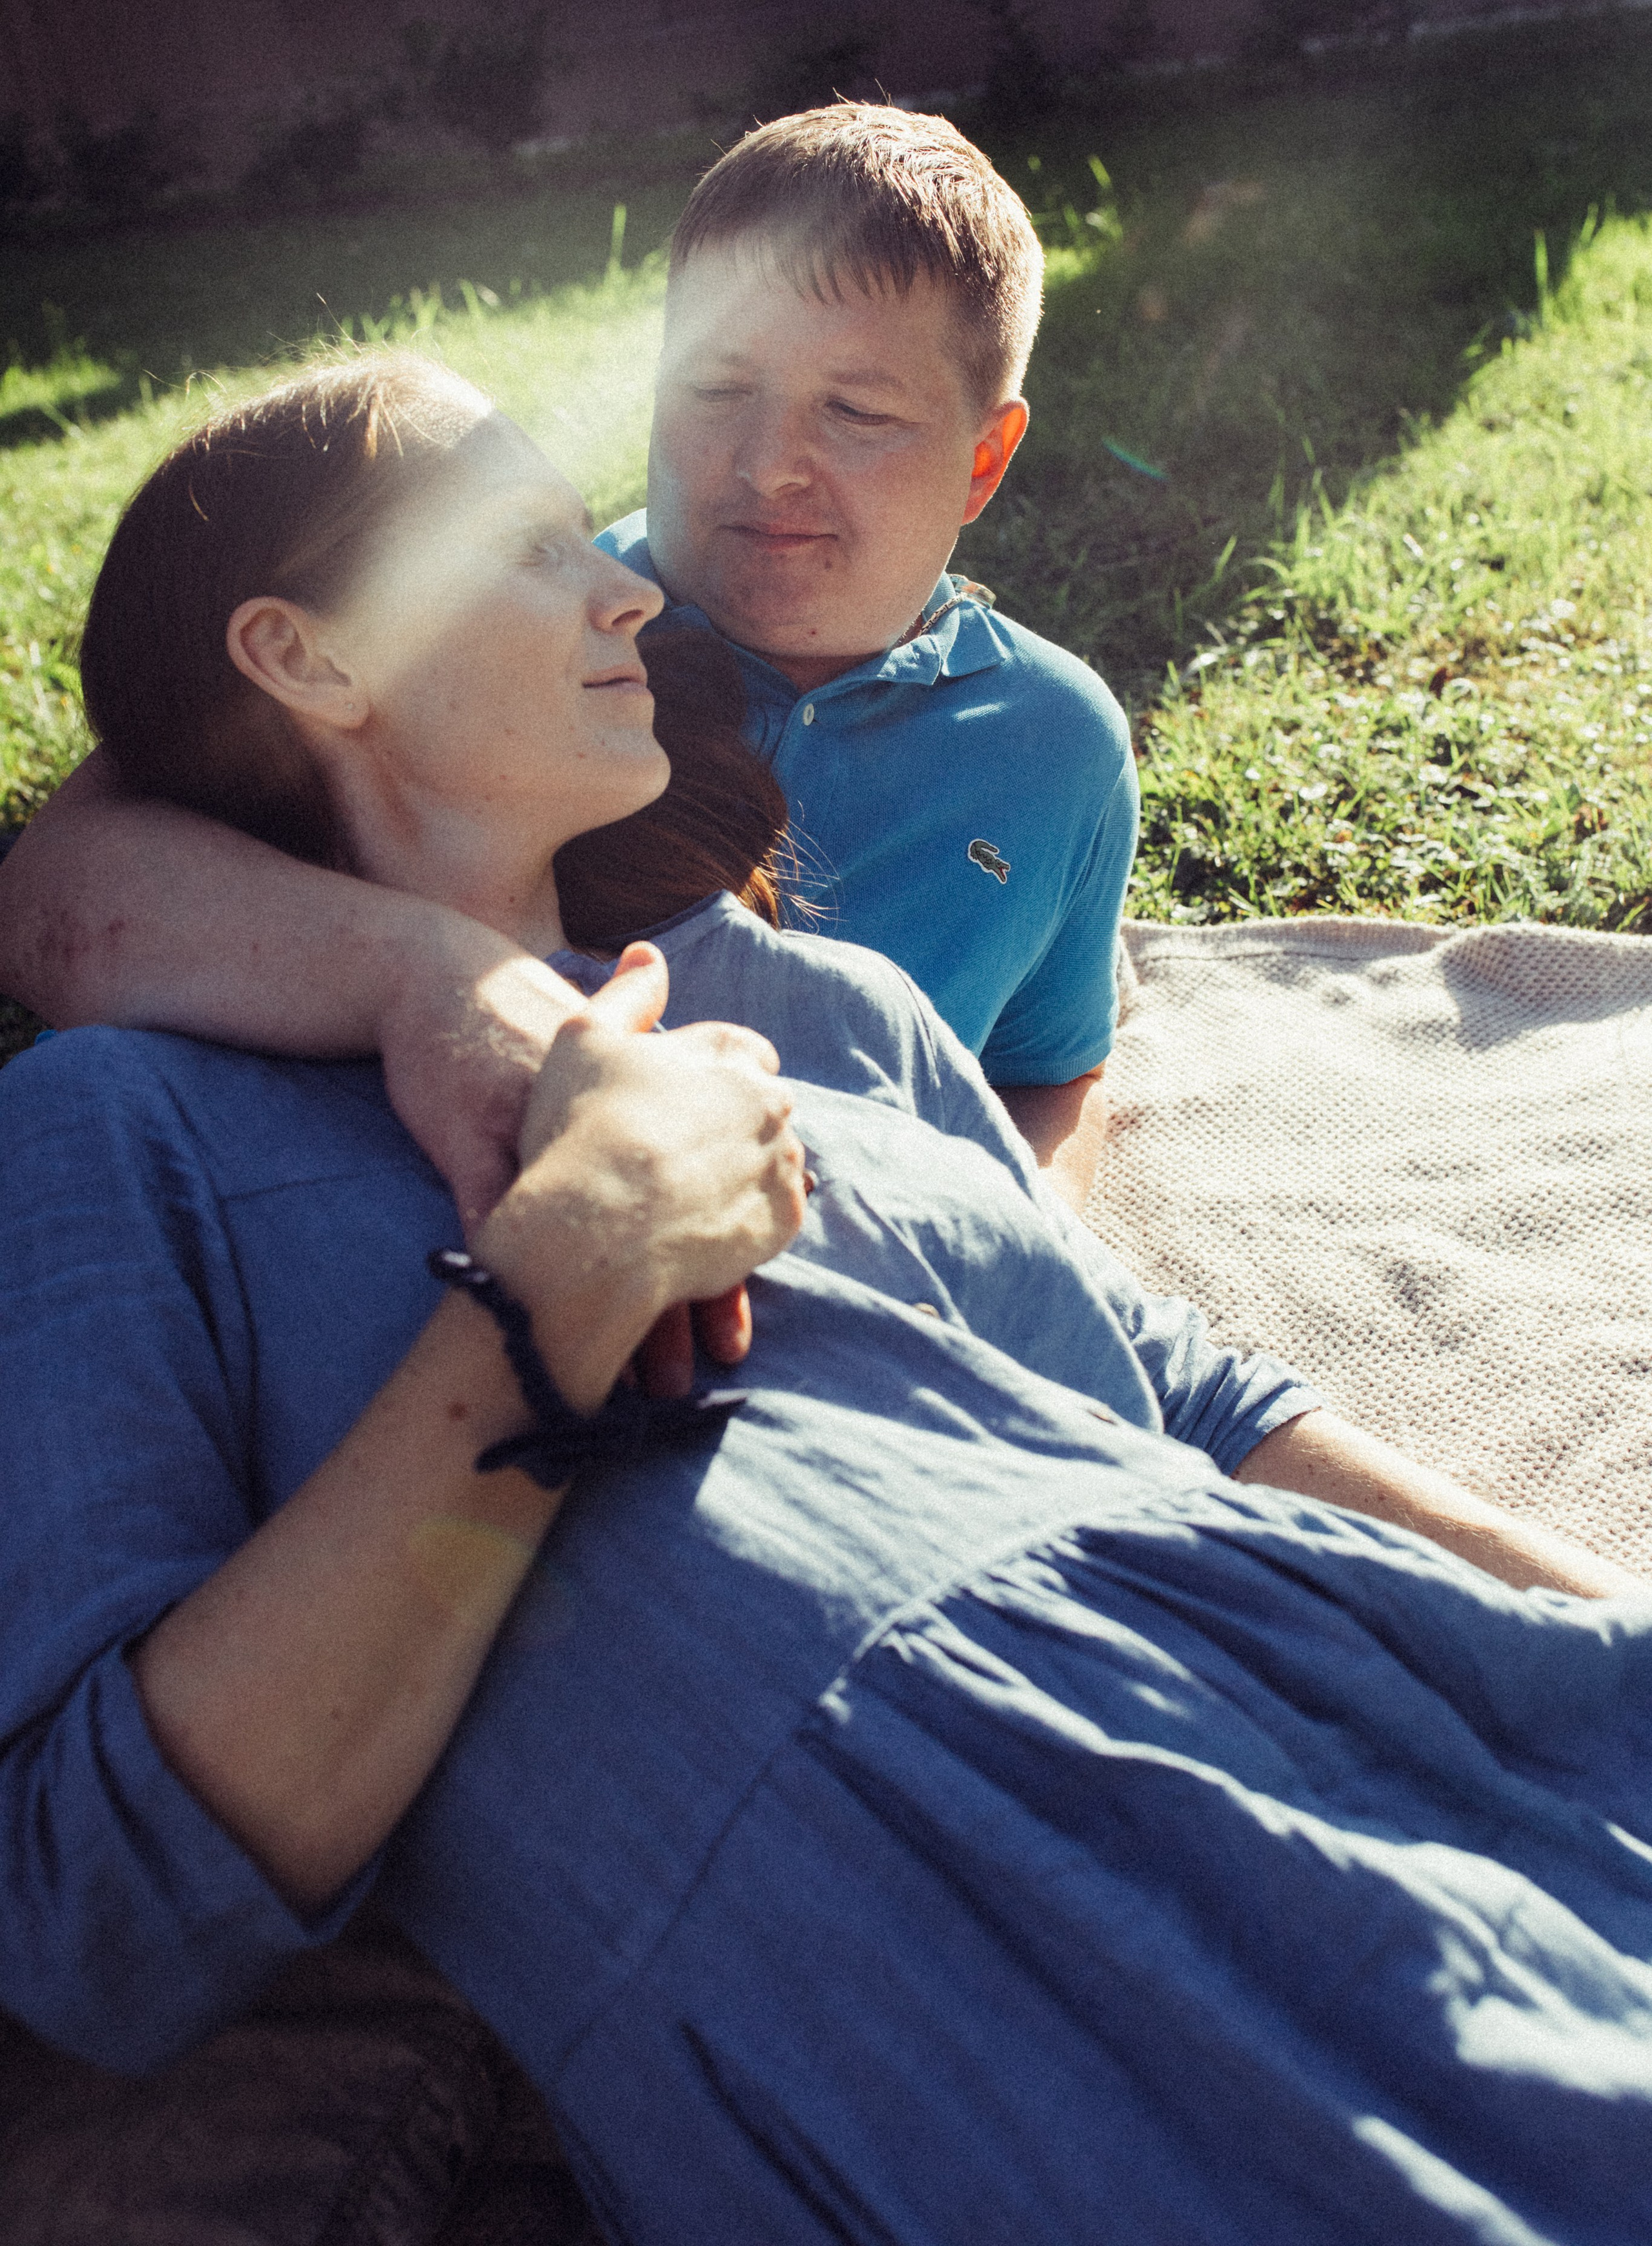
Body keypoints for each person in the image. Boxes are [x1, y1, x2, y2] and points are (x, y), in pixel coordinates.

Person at [3, 353, 1651, 2246]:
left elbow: (1177, 1406)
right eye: (533, 546)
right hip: (940, 1914)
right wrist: (562, 1281)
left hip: (1348, 1694)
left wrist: (1590, 1618)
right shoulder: (125, 1132)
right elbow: (95, 1905)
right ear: (308, 656)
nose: (628, 584)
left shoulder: (825, 1006)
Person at [0, 104, 1131, 1223]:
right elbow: (59, 892)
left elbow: (1047, 1068)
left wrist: (1020, 1254)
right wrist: (432, 978)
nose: (767, 463)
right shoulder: (510, 638)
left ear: (983, 461)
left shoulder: (1057, 748)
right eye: (716, 388)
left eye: (856, 409)